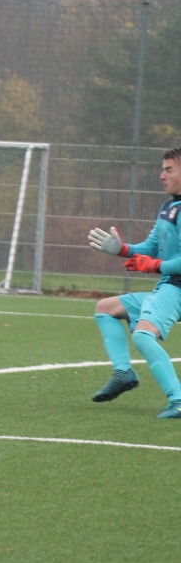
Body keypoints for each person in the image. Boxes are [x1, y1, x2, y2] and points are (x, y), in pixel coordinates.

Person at [88, 147, 181, 419]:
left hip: (177, 288)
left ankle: (178, 399)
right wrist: (123, 249)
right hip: (169, 286)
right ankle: (123, 373)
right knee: (106, 308)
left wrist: (154, 265)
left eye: (169, 170)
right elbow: (152, 246)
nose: (162, 175)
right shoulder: (169, 207)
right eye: (162, 169)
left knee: (142, 334)